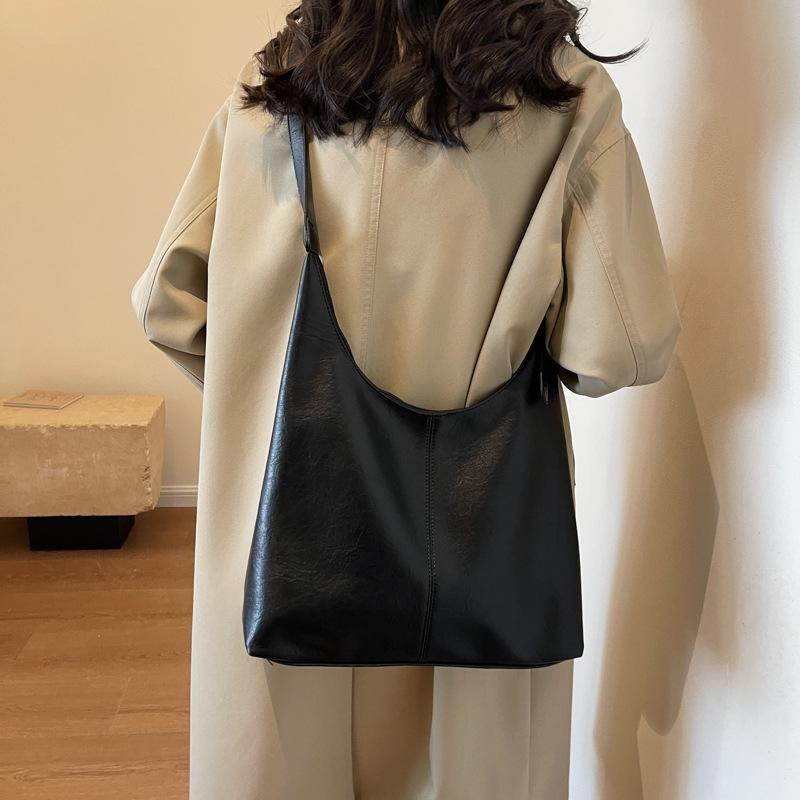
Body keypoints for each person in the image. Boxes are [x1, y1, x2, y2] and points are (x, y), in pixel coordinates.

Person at [130, 1, 681, 797]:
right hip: (477, 568)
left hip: (286, 556)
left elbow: (166, 305)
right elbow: (616, 350)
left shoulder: (284, 81)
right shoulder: (563, 93)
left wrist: (270, 401)